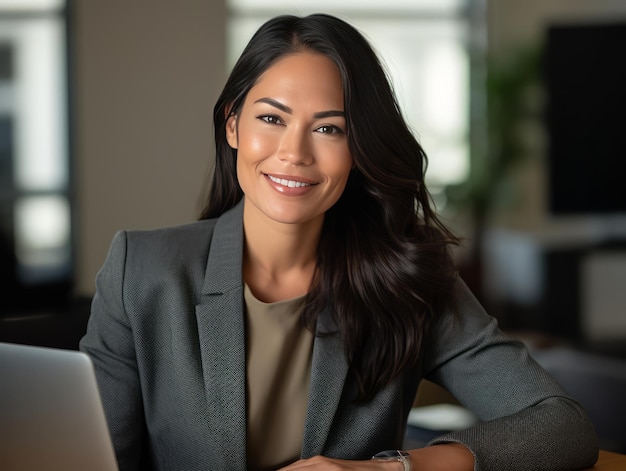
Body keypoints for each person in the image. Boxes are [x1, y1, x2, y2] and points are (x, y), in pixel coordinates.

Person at [80, 13, 599, 471]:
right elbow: (92, 458)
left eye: (329, 129)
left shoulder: (408, 276)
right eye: (271, 118)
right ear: (232, 125)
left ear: (359, 148)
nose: (294, 153)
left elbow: (561, 427)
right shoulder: (140, 271)